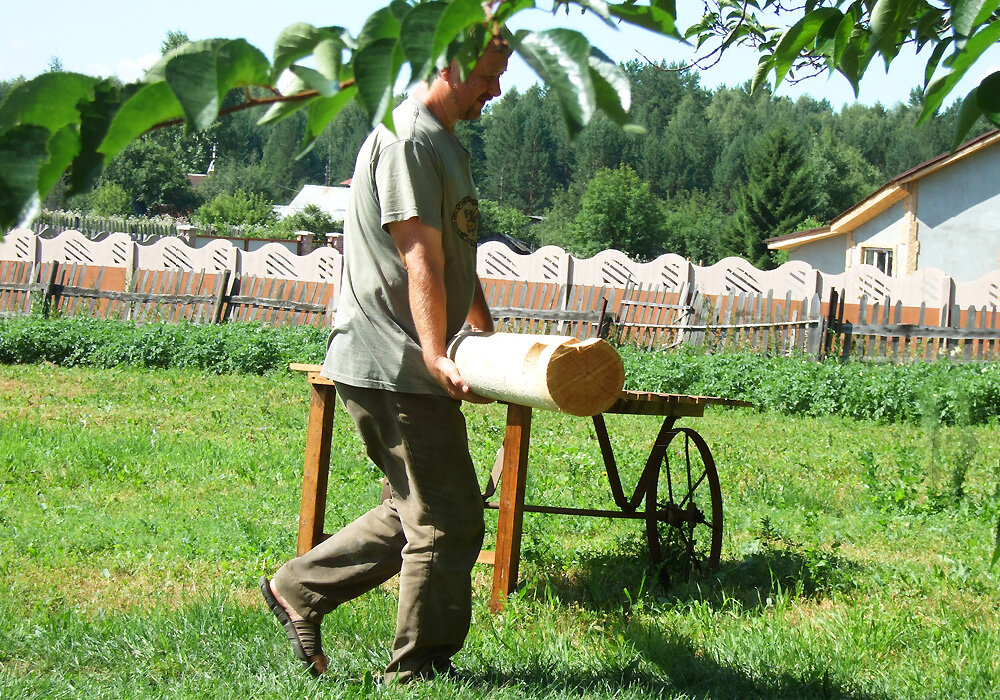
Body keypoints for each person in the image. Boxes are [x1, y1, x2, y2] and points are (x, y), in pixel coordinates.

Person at [260, 38, 510, 684]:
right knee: (449, 518)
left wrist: (486, 335)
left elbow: (456, 249)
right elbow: (417, 256)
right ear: (451, 66)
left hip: (408, 357)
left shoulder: (445, 141)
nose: (496, 91)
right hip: (392, 358)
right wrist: (433, 353)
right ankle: (418, 669)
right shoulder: (408, 139)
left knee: (412, 510)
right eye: (488, 76)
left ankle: (298, 588)